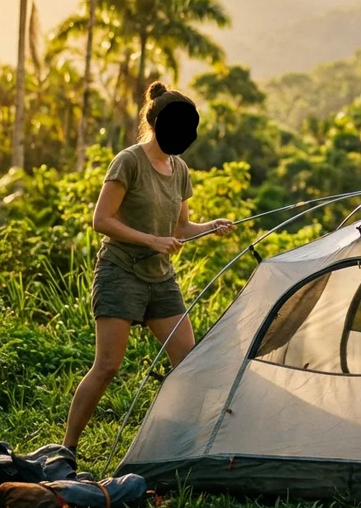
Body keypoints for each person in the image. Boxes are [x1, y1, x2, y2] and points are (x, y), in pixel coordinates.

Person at [63, 81, 234, 455]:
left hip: (161, 279)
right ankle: (68, 448)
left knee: (187, 364)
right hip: (120, 271)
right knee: (107, 366)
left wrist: (210, 227)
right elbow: (101, 220)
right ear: (156, 124)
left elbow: (180, 228)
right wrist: (150, 240)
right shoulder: (129, 161)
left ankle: (180, 445)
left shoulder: (180, 169)